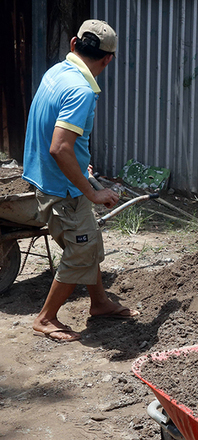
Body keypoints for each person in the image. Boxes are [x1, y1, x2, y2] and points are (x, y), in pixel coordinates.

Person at [23, 20, 140, 343]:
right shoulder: (81, 91)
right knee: (80, 251)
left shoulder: (58, 72)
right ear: (108, 59)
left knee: (90, 242)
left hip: (55, 178)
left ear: (74, 44)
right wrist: (92, 191)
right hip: (63, 189)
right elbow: (59, 146)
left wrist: (83, 170)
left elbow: (54, 133)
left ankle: (100, 303)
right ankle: (46, 318)